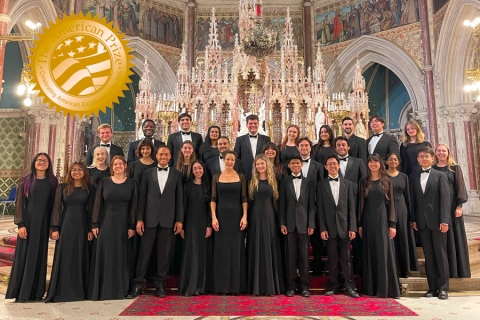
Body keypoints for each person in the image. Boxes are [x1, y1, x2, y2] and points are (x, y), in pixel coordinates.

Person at [6, 153, 58, 302]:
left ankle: (36, 292)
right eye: (39, 160)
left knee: (40, 255)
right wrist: (20, 224)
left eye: (45, 160)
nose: (42, 162)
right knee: (24, 256)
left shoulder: (53, 182)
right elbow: (20, 204)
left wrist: (52, 226)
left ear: (49, 164)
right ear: (34, 162)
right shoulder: (26, 181)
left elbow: (54, 205)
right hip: (28, 222)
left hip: (44, 222)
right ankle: (21, 292)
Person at [132, 146, 184, 298]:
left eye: (166, 154)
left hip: (169, 220)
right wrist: (139, 219)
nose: (163, 156)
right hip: (149, 219)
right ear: (156, 156)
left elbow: (179, 199)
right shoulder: (147, 174)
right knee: (144, 253)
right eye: (161, 154)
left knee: (164, 254)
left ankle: (160, 283)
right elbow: (142, 198)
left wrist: (179, 220)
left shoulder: (177, 174)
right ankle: (139, 282)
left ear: (170, 156)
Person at [88, 156, 137, 300]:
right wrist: (94, 224)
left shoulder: (132, 183)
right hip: (106, 222)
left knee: (121, 255)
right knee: (105, 253)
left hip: (123, 224)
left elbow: (134, 206)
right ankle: (103, 289)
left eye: (120, 164)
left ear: (125, 166)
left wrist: (132, 225)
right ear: (112, 167)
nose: (118, 166)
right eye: (115, 164)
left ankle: (120, 289)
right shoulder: (104, 182)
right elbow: (98, 204)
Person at [45, 162, 96, 302]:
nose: (76, 172)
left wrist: (91, 228)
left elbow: (92, 210)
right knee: (66, 256)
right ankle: (62, 290)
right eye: (73, 170)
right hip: (66, 225)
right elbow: (56, 208)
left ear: (85, 172)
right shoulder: (62, 187)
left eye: (80, 169)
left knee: (80, 256)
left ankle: (79, 291)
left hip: (83, 226)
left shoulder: (90, 188)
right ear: (69, 172)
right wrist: (55, 228)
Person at [410, 146, 450, 300]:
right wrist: (414, 219)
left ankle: (443, 288)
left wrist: (444, 220)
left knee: (440, 255)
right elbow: (413, 200)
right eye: (421, 156)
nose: (424, 159)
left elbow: (445, 200)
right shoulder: (413, 176)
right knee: (429, 256)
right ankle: (432, 287)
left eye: (427, 156)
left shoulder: (440, 176)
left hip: (438, 222)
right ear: (418, 159)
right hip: (422, 222)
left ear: (432, 158)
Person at [358, 154, 400, 298]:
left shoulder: (386, 181)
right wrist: (359, 224)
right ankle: (371, 288)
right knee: (370, 253)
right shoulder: (363, 182)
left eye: (375, 161)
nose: (373, 164)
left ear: (380, 164)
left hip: (382, 220)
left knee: (383, 253)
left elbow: (392, 205)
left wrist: (392, 224)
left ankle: (384, 289)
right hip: (367, 220)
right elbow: (360, 205)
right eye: (370, 161)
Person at [317, 155, 359, 298]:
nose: (333, 166)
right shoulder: (321, 185)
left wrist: (352, 227)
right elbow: (320, 209)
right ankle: (333, 284)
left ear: (339, 166)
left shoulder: (348, 184)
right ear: (325, 167)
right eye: (330, 164)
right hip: (329, 228)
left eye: (335, 164)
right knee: (332, 258)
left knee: (346, 259)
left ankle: (350, 286)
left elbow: (352, 208)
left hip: (345, 227)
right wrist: (322, 228)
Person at [211, 150, 248, 294]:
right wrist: (213, 217)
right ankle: (222, 287)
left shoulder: (241, 176)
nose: (230, 162)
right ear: (224, 160)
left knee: (236, 249)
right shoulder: (216, 177)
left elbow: (244, 198)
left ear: (235, 161)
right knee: (222, 250)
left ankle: (236, 287)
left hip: (237, 217)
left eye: (232, 160)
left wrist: (245, 216)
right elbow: (213, 199)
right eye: (227, 159)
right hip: (221, 217)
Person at [279, 154, 315, 298]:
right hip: (289, 224)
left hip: (304, 224)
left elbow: (312, 205)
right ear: (289, 166)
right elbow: (282, 205)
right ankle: (291, 286)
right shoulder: (284, 182)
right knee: (291, 257)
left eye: (297, 163)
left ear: (301, 165)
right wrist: (282, 223)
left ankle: (305, 286)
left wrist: (311, 223)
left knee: (304, 257)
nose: (295, 165)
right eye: (292, 163)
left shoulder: (309, 182)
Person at [247, 154, 284, 296]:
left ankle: (271, 284)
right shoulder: (252, 181)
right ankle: (256, 285)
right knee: (256, 247)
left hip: (270, 217)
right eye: (257, 164)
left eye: (262, 164)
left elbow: (278, 202)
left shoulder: (275, 180)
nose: (260, 166)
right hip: (255, 217)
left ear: (267, 165)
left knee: (270, 247)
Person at [433, 144, 470, 278]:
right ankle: (445, 270)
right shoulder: (432, 169)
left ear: (448, 153)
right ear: (435, 153)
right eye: (439, 151)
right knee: (443, 239)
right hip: (438, 208)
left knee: (456, 238)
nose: (441, 153)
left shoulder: (454, 168)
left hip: (453, 207)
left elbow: (460, 187)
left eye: (444, 151)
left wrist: (459, 205)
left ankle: (458, 270)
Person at [179, 161, 212, 296]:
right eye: (195, 168)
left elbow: (211, 208)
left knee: (202, 254)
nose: (198, 170)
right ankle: (190, 286)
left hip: (204, 223)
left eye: (200, 168)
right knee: (191, 254)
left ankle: (200, 286)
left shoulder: (208, 186)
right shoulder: (187, 187)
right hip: (190, 223)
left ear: (203, 169)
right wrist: (181, 225)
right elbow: (183, 207)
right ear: (191, 171)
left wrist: (209, 225)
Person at [335, 136, 367, 275]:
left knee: (357, 242)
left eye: (343, 145)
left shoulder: (358, 162)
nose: (341, 147)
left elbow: (364, 183)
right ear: (335, 148)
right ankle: (339, 273)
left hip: (355, 204)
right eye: (338, 145)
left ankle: (359, 270)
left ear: (348, 147)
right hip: (337, 206)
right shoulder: (331, 163)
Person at [385, 152, 418, 277]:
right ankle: (393, 267)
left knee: (403, 237)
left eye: (395, 159)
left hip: (402, 208)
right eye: (390, 159)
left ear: (398, 162)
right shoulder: (383, 176)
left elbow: (408, 197)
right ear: (386, 161)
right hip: (387, 209)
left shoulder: (404, 177)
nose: (393, 161)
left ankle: (405, 269)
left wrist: (411, 216)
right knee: (390, 238)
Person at [234, 114, 271, 180]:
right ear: (246, 125)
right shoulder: (240, 140)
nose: (253, 125)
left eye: (255, 123)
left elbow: (268, 157)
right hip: (245, 174)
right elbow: (237, 158)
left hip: (262, 174)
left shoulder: (266, 139)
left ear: (258, 124)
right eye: (250, 123)